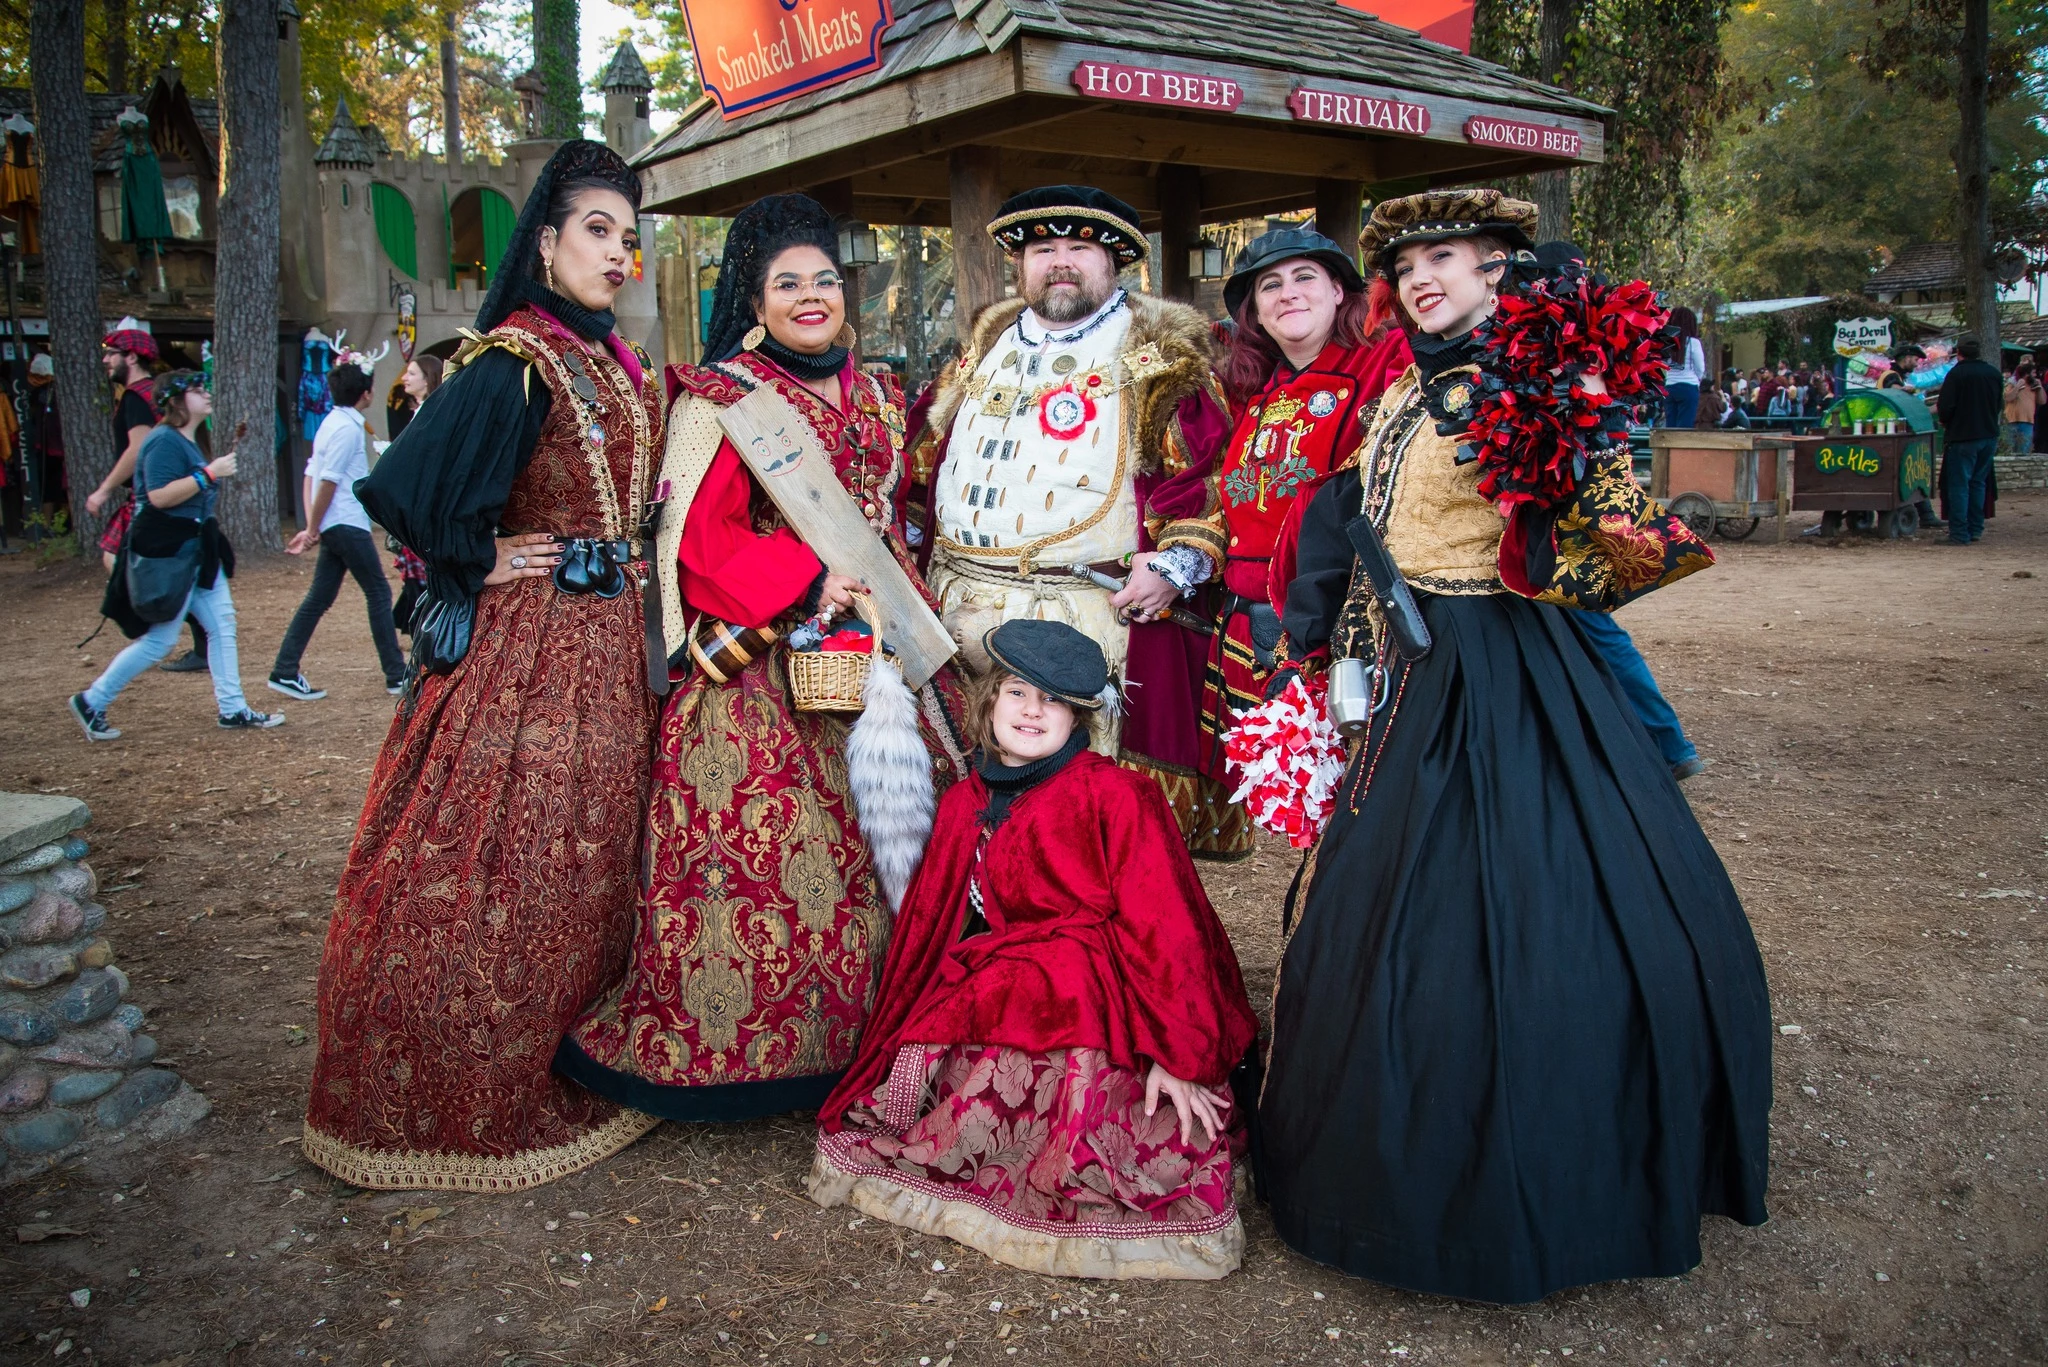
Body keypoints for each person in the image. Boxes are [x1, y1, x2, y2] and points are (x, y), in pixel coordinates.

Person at [1254, 189, 1771, 1305]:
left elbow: (1599, 534)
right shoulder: (1400, 377)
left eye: (1446, 255)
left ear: (1497, 266)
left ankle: (1542, 1164)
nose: (1423, 274)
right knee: (1380, 903)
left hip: (1503, 666)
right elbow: (1357, 506)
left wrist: (1560, 432)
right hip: (1407, 665)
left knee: (1535, 901)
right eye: (1408, 261)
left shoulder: (1528, 376)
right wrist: (1320, 624)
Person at [302, 140, 667, 1192]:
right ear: (545, 243)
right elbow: (409, 486)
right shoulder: (514, 359)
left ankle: (574, 1051)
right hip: (532, 650)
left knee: (584, 865)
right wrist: (478, 554)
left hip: (609, 650)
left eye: (627, 238)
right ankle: (461, 1086)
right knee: (499, 861)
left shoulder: (611, 359)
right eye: (595, 230)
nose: (615, 252)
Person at [557, 193, 968, 1123]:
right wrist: (808, 576)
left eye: (825, 278)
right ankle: (754, 1057)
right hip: (768, 662)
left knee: (894, 838)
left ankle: (882, 1032)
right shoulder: (723, 400)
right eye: (789, 283)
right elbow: (700, 541)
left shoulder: (875, 390)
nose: (812, 295)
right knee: (773, 857)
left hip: (880, 639)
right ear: (755, 297)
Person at [808, 618, 1257, 1279]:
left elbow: (1169, 929)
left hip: (1105, 1004)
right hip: (1002, 994)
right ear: (991, 701)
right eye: (1019, 692)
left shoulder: (1117, 793)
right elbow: (937, 927)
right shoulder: (967, 801)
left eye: (1052, 701)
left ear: (1077, 718)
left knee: (1065, 972)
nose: (1032, 710)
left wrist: (1180, 1053)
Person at [910, 185, 1238, 854]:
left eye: (1079, 248)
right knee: (963, 804)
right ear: (1020, 263)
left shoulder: (1154, 355)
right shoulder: (983, 347)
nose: (1060, 262)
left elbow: (1207, 470)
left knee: (1077, 823)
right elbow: (923, 454)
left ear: (1114, 262)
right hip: (955, 613)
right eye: (1043, 249)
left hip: (1080, 618)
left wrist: (1178, 562)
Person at [1200, 227, 1409, 800]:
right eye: (1270, 286)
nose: (1287, 293)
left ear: (1341, 291)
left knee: (1369, 786)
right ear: (1255, 313)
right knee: (1300, 790)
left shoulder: (1385, 360)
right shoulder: (1253, 391)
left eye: (1305, 277)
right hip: (1250, 617)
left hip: (1341, 616)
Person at [66, 371, 283, 740]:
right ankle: (92, 700)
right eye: (198, 391)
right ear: (177, 401)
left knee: (222, 624)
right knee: (161, 641)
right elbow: (159, 496)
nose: (207, 394)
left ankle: (232, 709)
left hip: (194, 552)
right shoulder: (164, 440)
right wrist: (208, 475)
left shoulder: (183, 439)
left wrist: (207, 474)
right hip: (171, 554)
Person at [267, 363, 408, 700]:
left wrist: (312, 525)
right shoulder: (347, 429)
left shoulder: (331, 423)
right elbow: (328, 479)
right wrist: (313, 528)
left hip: (334, 522)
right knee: (377, 592)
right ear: (366, 394)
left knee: (319, 597)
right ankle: (395, 673)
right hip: (345, 521)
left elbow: (310, 474)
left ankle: (285, 669)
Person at [1937, 336, 2002, 546]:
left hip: (1963, 436)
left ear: (1960, 354)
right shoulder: (1993, 373)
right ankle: (1975, 528)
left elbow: (1945, 407)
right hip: (1988, 434)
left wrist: (1947, 422)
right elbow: (1998, 403)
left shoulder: (1956, 374)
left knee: (1959, 485)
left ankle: (1959, 532)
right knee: (1978, 483)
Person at [24, 353, 66, 520]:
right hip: (50, 448)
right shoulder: (42, 394)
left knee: (57, 488)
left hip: (54, 448)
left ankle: (58, 524)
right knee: (52, 488)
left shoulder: (48, 393)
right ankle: (53, 524)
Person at [1663, 306, 1705, 428]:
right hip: (1689, 386)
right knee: (1684, 427)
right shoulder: (1693, 342)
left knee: (1670, 425)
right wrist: (1697, 380)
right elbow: (1700, 368)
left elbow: (1663, 363)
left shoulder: (1666, 343)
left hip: (1670, 386)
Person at [386, 354, 443, 443]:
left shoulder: (431, 413)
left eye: (411, 374)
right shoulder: (424, 410)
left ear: (427, 379)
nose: (403, 378)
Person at [2004, 356, 2040, 454]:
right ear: (2026, 374)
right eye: (2033, 373)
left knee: (2024, 452)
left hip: (2028, 421)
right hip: (2012, 421)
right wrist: (2018, 386)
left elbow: (2042, 401)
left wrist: (2040, 388)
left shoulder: (2034, 385)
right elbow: (2007, 398)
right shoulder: (2012, 382)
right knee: (2009, 450)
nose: (2036, 375)